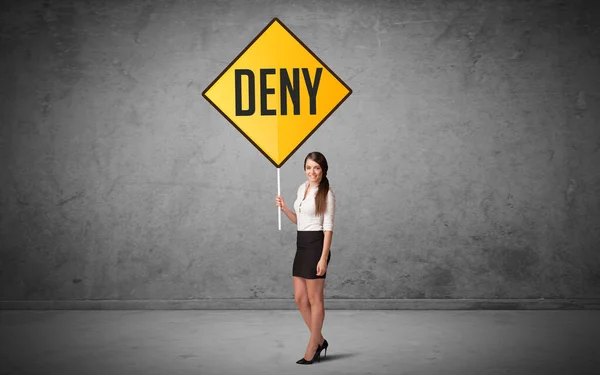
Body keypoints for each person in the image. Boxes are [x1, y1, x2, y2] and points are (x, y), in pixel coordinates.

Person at [275, 151, 335, 365]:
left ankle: (312, 346)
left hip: (316, 247)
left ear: (323, 170)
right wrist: (284, 209)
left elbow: (328, 229)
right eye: (309, 167)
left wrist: (323, 257)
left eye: (317, 168)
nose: (313, 172)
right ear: (304, 169)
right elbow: (299, 221)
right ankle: (319, 339)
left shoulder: (326, 194)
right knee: (300, 298)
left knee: (314, 299)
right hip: (301, 246)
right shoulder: (302, 188)